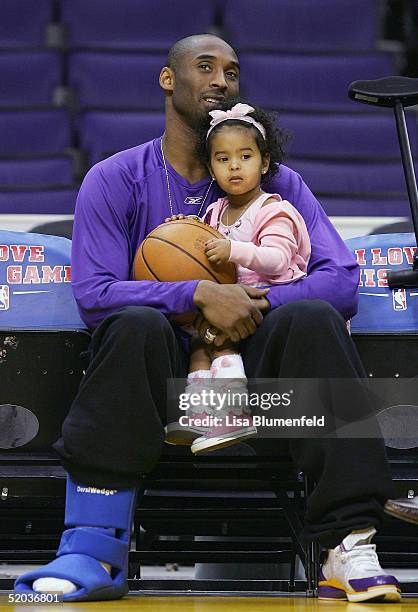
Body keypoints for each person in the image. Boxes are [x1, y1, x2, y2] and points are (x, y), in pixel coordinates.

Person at [14, 34, 400, 603]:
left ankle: (349, 543)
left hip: (264, 387)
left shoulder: (279, 185)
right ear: (168, 80)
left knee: (315, 315)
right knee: (132, 324)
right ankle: (92, 543)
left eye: (233, 72)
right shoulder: (115, 178)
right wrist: (196, 294)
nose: (222, 79)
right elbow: (95, 295)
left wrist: (249, 303)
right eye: (205, 67)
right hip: (164, 381)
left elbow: (341, 279)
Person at [165, 101, 311, 455]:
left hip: (268, 304)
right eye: (222, 158)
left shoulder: (276, 210)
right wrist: (178, 231)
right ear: (211, 169)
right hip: (231, 302)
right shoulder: (216, 212)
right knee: (200, 341)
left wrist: (233, 249)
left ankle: (232, 413)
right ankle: (200, 414)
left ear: (264, 163)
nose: (234, 166)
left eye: (245, 157)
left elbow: (277, 260)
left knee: (223, 343)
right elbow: (201, 253)